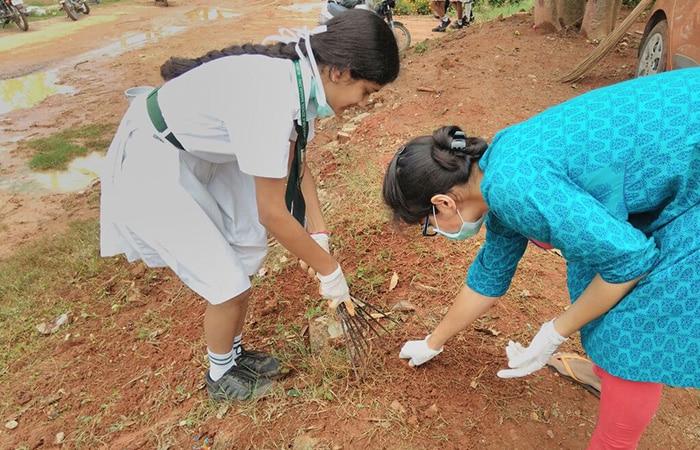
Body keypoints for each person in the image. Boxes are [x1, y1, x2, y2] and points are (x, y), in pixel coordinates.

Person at [382, 68, 699, 448]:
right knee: (593, 271)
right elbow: (489, 276)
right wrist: (433, 342)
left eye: (430, 224)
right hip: (678, 135)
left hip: (691, 156)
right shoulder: (496, 172)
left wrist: (555, 331)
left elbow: (630, 261)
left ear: (443, 202)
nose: (437, 231)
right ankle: (604, 375)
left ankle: (614, 425)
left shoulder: (513, 188)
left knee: (633, 325)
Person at [100, 9, 400, 402]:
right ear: (341, 72)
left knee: (244, 247)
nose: (363, 103)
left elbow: (296, 162)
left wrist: (319, 231)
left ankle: (234, 352)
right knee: (225, 283)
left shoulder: (299, 82)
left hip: (202, 151)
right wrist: (330, 272)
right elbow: (272, 212)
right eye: (367, 92)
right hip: (152, 162)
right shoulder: (272, 97)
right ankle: (220, 375)